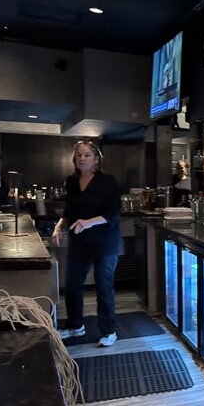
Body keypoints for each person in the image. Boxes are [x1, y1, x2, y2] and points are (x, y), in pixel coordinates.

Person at [52, 140, 121, 347]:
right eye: (79, 155)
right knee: (72, 283)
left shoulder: (107, 181)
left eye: (87, 155)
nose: (82, 158)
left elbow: (114, 212)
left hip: (105, 241)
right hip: (80, 241)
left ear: (96, 159)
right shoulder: (72, 182)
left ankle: (109, 331)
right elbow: (70, 209)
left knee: (103, 285)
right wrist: (59, 226)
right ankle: (75, 325)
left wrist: (88, 222)